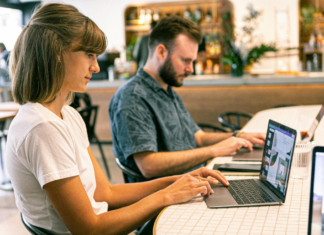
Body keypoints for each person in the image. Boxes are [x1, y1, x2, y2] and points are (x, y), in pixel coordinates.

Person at [6, 3, 229, 235]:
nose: (95, 66)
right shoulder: (43, 127)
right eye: (89, 54)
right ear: (56, 52)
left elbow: (106, 194)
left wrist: (179, 180)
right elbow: (89, 229)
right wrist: (167, 195)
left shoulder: (67, 115)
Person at [109, 16, 266, 182]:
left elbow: (198, 137)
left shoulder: (167, 90)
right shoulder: (132, 98)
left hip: (195, 180)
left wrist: (238, 136)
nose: (190, 69)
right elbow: (149, 166)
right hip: (167, 197)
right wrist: (213, 151)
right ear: (161, 52)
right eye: (185, 60)